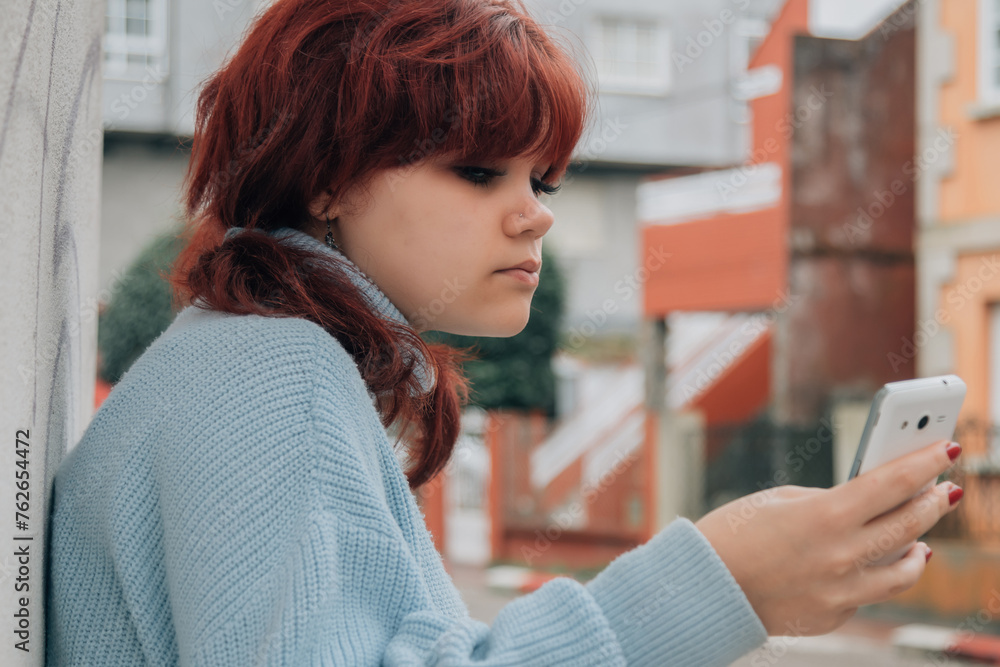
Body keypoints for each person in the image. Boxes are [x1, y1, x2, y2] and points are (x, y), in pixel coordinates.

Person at [44, 0, 964, 664]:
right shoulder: (266, 371)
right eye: (480, 171)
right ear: (323, 180)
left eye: (543, 180)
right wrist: (721, 583)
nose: (534, 216)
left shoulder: (246, 354)